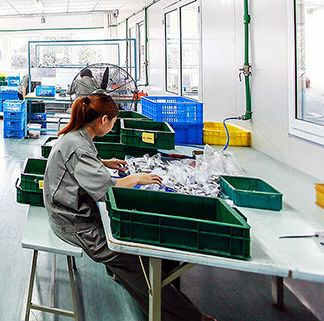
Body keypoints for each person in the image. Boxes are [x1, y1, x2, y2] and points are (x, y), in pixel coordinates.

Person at [43, 93, 213, 321]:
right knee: (134, 260)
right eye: (113, 122)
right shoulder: (79, 146)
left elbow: (79, 163)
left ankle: (149, 289)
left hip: (71, 211)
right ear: (104, 119)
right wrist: (137, 178)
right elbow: (107, 189)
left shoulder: (76, 137)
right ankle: (189, 317)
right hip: (73, 223)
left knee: (138, 245)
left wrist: (104, 163)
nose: (113, 127)